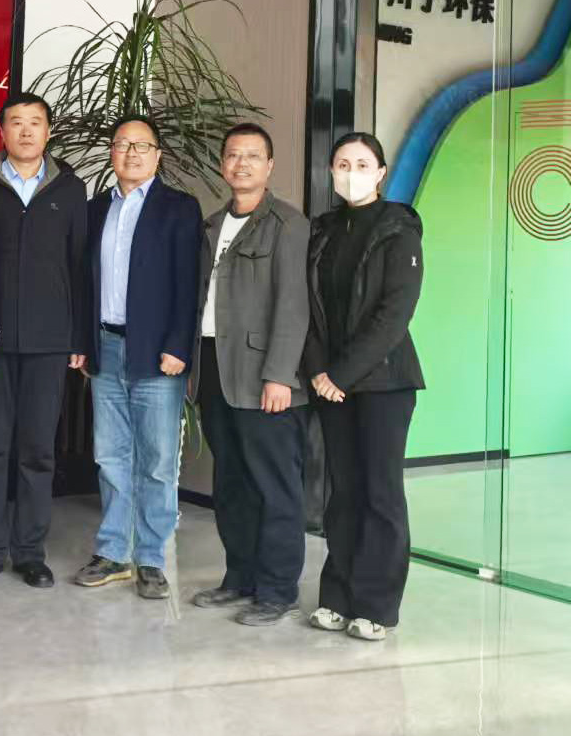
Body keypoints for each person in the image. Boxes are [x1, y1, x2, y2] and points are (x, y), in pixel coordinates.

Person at [0, 92, 87, 589]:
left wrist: (78, 337)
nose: (26, 131)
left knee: (38, 451)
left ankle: (30, 552)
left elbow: (80, 266)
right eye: (16, 122)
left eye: (36, 122)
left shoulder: (70, 190)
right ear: (2, 132)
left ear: (48, 131)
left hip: (49, 343)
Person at [74, 114, 202, 599]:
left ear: (158, 155)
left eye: (141, 145)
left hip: (157, 351)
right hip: (105, 346)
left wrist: (178, 346)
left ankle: (151, 557)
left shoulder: (178, 208)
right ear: (112, 152)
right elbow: (83, 282)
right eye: (122, 144)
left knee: (156, 461)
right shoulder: (95, 209)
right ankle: (113, 552)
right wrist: (83, 343)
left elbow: (188, 283)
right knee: (110, 455)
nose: (131, 153)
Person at [190, 122, 311, 626]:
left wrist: (280, 375)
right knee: (233, 482)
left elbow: (294, 305)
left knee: (274, 484)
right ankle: (239, 577)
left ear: (270, 166)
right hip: (217, 369)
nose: (241, 164)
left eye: (252, 156)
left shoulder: (288, 224)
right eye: (233, 155)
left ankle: (278, 589)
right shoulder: (213, 224)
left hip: (265, 376)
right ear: (223, 164)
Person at [304, 132, 424, 641]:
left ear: (380, 173)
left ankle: (375, 606)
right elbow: (307, 308)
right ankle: (337, 596)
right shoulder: (323, 230)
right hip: (330, 383)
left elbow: (394, 314)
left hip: (384, 383)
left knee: (380, 494)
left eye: (361, 164)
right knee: (344, 493)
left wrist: (341, 375)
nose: (350, 173)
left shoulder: (399, 228)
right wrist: (318, 371)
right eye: (341, 164)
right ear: (331, 172)